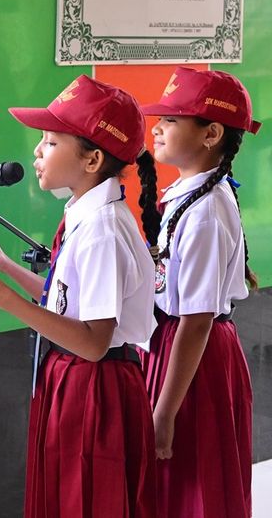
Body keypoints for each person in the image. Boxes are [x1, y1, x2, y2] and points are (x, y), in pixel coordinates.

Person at [0, 75, 161, 518]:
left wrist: (3, 297)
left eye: (49, 142)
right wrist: (4, 265)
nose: (36, 152)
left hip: (95, 389)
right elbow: (66, 301)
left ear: (92, 159)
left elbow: (92, 341)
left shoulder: (103, 230)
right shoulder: (88, 214)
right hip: (79, 381)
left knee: (86, 501)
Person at [139, 67, 259, 517]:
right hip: (175, 346)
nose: (158, 128)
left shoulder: (206, 210)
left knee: (192, 480)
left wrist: (165, 413)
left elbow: (197, 319)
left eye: (171, 120)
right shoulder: (192, 192)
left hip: (194, 356)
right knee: (172, 482)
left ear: (211, 133)